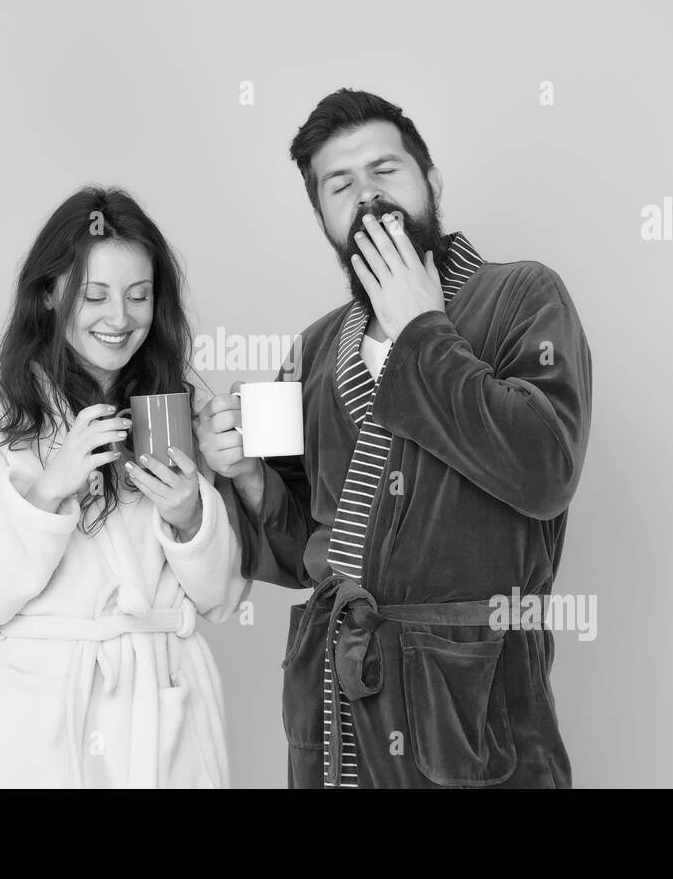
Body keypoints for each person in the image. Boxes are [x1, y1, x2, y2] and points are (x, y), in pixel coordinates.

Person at [196, 89, 593, 788]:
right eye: (340, 185)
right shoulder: (316, 348)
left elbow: (544, 470)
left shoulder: (523, 297)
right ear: (323, 216)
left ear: (432, 182)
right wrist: (252, 479)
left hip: (470, 706)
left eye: (387, 170)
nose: (368, 196)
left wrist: (421, 331)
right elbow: (301, 552)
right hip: (335, 708)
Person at [0, 185, 248, 788]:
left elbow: (224, 599)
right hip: (41, 736)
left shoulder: (184, 414)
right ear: (49, 293)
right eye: (93, 296)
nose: (119, 318)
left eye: (138, 296)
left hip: (166, 722)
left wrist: (189, 518)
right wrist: (46, 493)